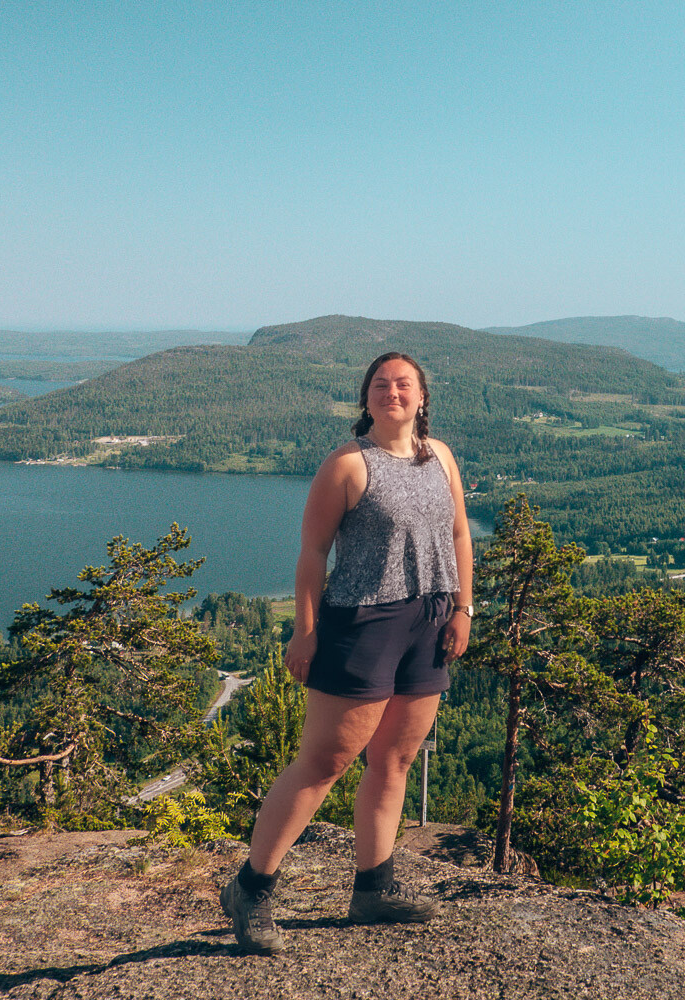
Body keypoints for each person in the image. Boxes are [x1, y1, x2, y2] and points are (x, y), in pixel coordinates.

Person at [221, 351, 473, 954]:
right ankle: (250, 890)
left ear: (422, 397)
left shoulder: (441, 457)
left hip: (430, 618)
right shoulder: (347, 464)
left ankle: (373, 889)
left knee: (394, 761)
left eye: (404, 383)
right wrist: (304, 631)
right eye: (381, 384)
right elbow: (313, 554)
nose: (393, 391)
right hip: (362, 621)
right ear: (366, 399)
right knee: (325, 763)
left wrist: (464, 608)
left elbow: (460, 533)